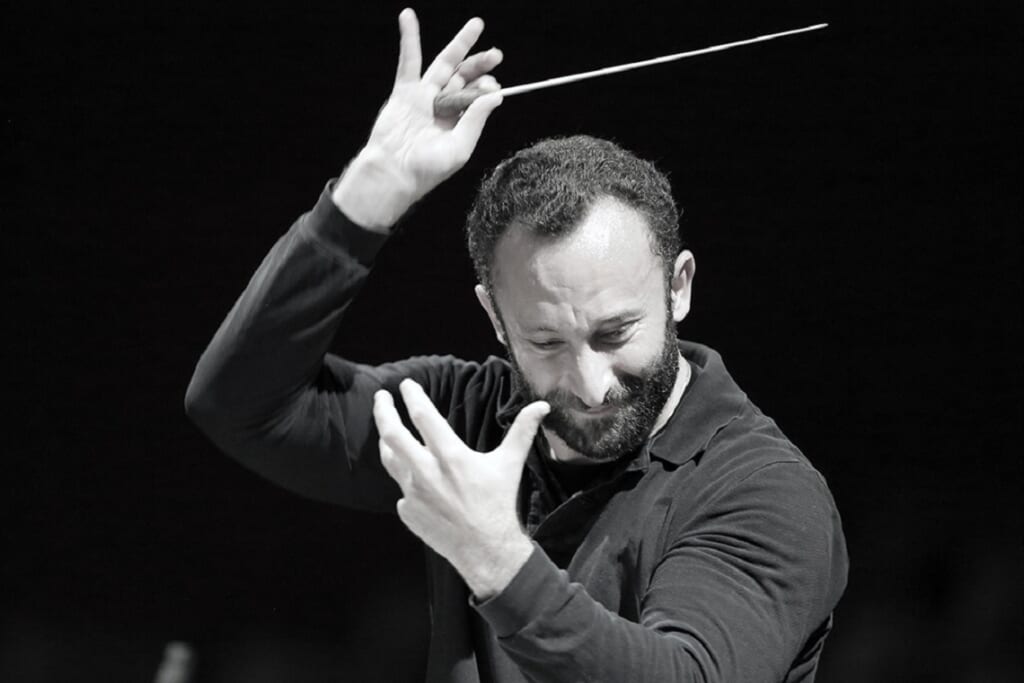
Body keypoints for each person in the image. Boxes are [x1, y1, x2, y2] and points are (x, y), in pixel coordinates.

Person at [185, 8, 848, 682]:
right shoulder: (468, 416)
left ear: (678, 288)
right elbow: (242, 405)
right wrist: (369, 193)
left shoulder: (762, 488)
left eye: (615, 333)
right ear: (496, 319)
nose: (590, 383)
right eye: (546, 340)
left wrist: (499, 562)